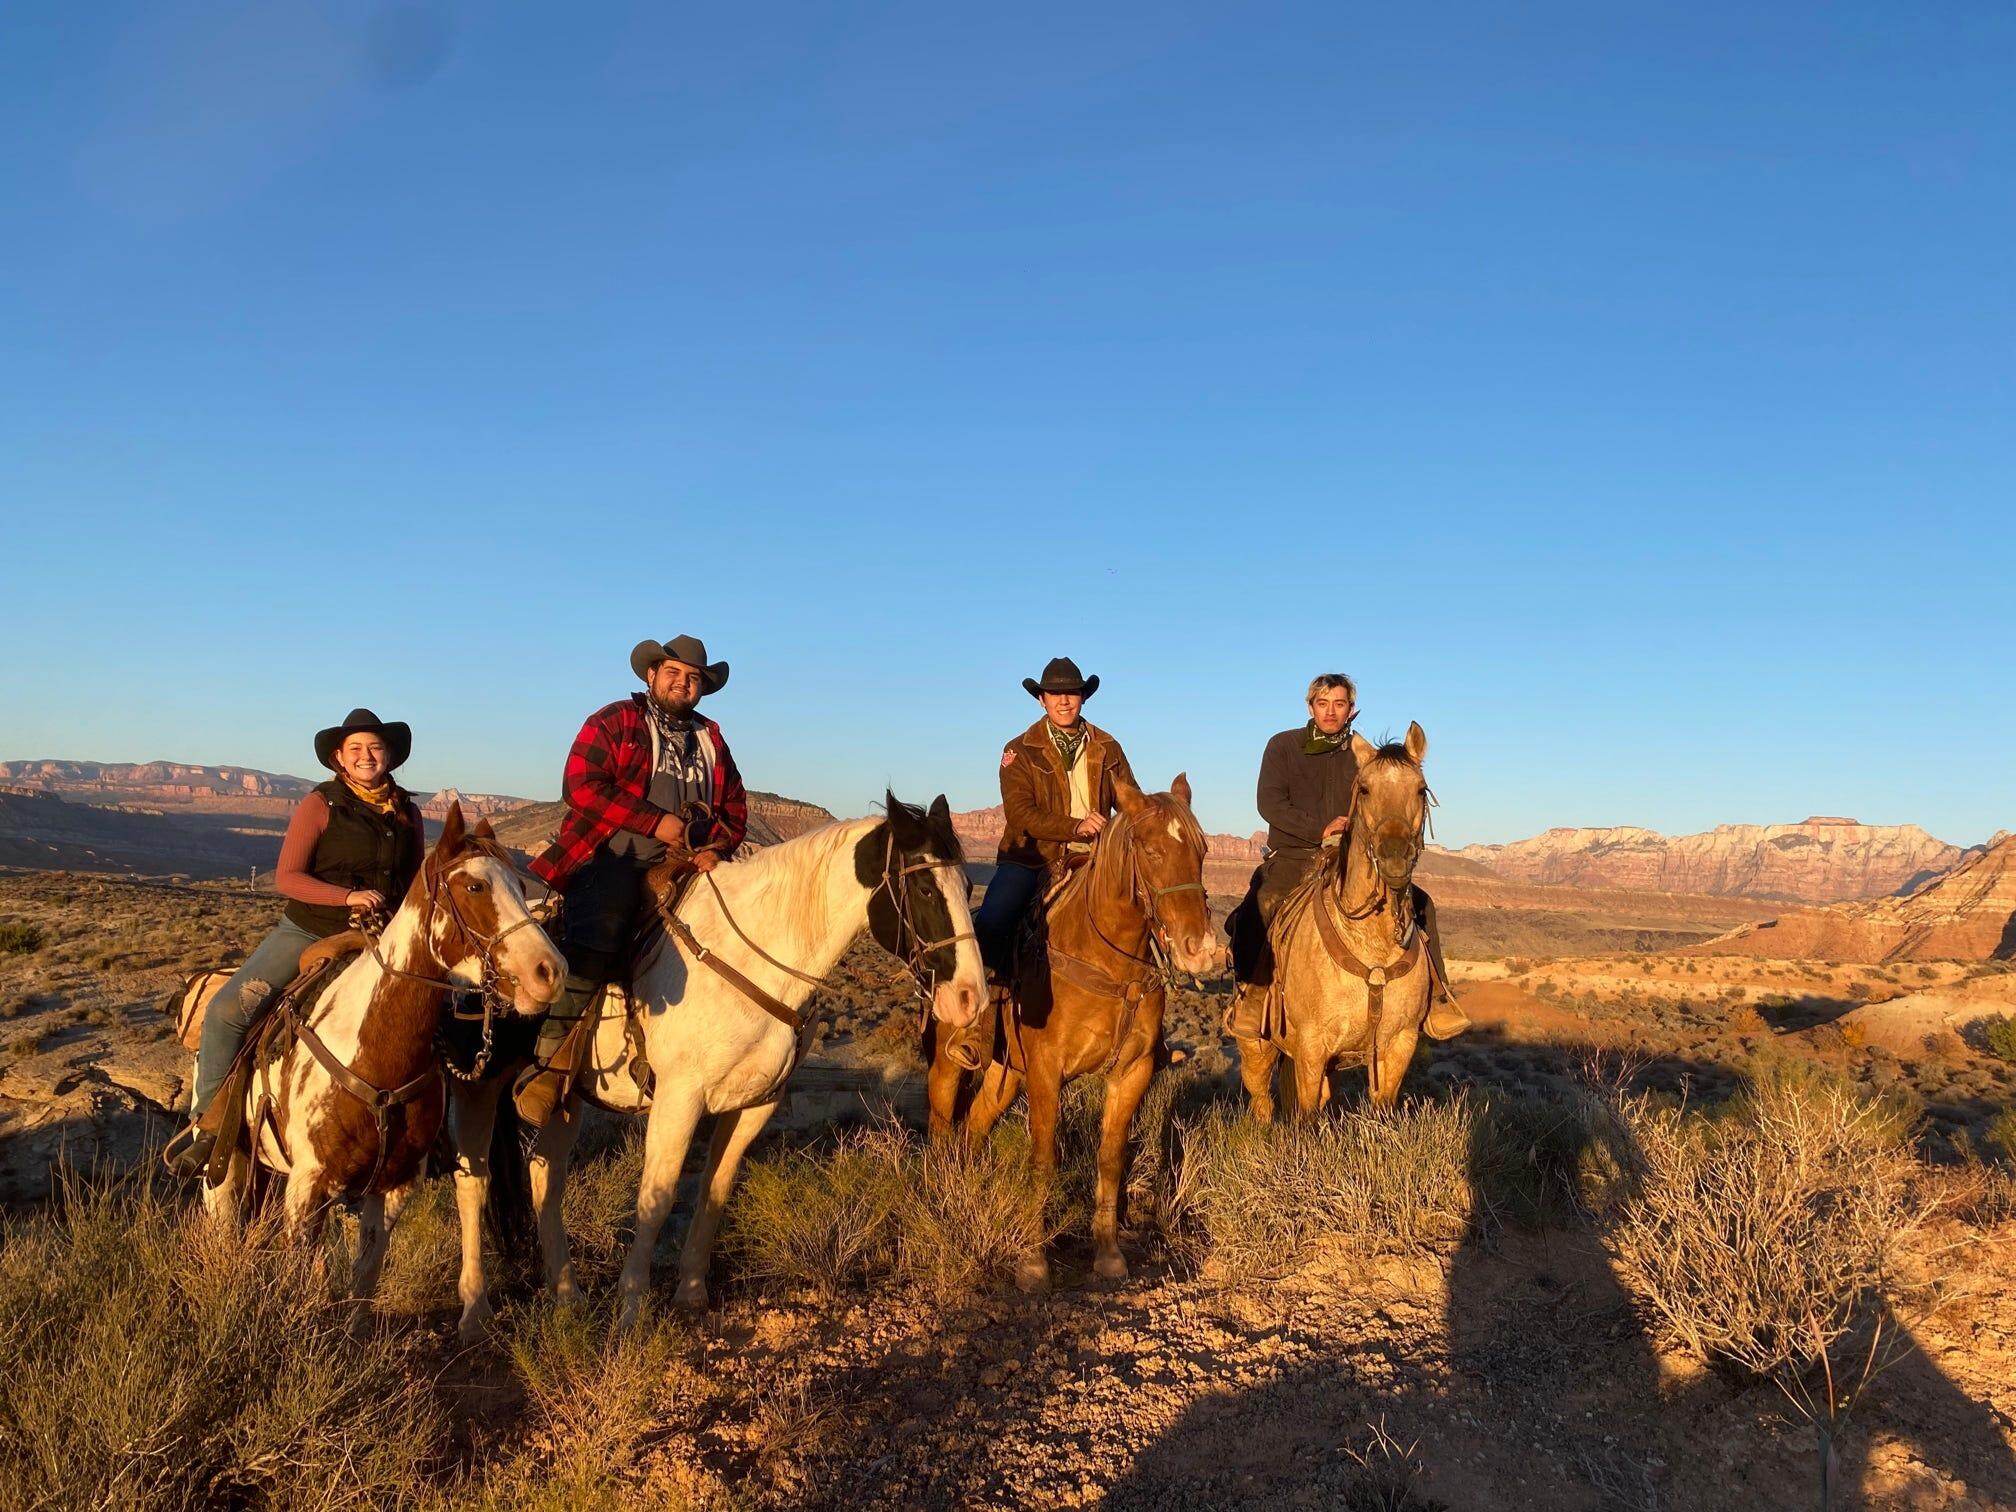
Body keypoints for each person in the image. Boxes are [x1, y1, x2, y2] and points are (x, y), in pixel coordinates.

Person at [167, 708, 425, 1178]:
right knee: (228, 1010)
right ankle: (206, 1124)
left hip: (382, 937)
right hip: (310, 929)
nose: (367, 756)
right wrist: (346, 896)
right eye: (356, 749)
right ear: (339, 759)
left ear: (389, 755)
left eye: (375, 747)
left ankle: (436, 1132)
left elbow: (412, 883)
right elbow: (287, 877)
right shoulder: (321, 804)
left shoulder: (407, 811)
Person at [513, 634, 747, 1126]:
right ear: (651, 675)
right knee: (601, 928)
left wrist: (716, 847)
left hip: (688, 864)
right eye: (674, 673)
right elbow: (581, 785)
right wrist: (653, 822)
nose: (683, 684)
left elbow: (735, 810)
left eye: (694, 678)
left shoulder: (711, 739)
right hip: (612, 855)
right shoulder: (617, 720)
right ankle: (550, 1065)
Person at [1226, 673, 1464, 1038]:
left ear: (1351, 710)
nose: (1330, 712)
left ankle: (1437, 999)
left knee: (1422, 904)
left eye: (1339, 704)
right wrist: (1318, 827)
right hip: (1294, 852)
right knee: (1262, 904)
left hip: (1350, 855)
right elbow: (1269, 802)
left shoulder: (1365, 756)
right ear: (1310, 707)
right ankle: (1252, 996)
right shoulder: (1283, 746)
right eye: (1323, 704)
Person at [973, 656, 1137, 975]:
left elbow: (1131, 801)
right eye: (1054, 694)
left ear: (1083, 697)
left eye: (1072, 693)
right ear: (1041, 700)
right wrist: (1076, 827)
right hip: (1031, 859)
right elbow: (1021, 814)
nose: (1064, 701)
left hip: (1096, 857)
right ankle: (985, 1004)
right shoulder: (1020, 750)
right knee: (994, 919)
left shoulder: (1108, 747)